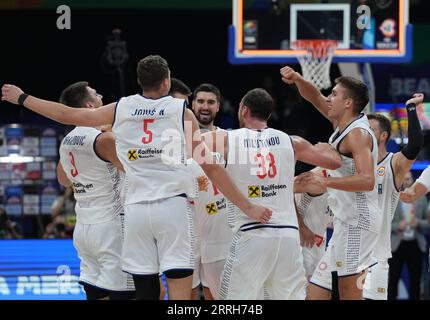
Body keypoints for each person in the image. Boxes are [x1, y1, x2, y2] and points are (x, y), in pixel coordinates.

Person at [1, 55, 272, 300]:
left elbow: (69, 114)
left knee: (145, 291)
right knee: (180, 291)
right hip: (173, 207)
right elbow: (211, 167)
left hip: (135, 212)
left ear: (139, 82)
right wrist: (248, 206)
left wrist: (23, 98)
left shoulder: (121, 108)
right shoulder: (181, 112)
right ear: (166, 81)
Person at [201, 88, 341, 299]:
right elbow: (335, 162)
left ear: (244, 110)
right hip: (287, 237)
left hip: (252, 233)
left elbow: (188, 146)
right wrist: (328, 147)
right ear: (268, 114)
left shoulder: (227, 139)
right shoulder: (292, 141)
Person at [281, 67, 380, 300]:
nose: (329, 97)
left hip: (359, 222)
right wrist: (297, 79)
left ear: (348, 103)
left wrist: (326, 182)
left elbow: (367, 180)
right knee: (314, 293)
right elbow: (315, 96)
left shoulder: (358, 134)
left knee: (349, 294)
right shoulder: (342, 124)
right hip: (343, 222)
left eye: (334, 94)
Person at [54, 81, 135, 300]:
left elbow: (63, 180)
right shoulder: (103, 139)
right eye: (96, 94)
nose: (101, 96)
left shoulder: (66, 141)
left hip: (83, 227)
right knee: (123, 293)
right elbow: (134, 171)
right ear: (90, 106)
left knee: (95, 291)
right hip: (110, 225)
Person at [361, 95, 424, 300]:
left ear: (383, 136)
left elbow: (414, 146)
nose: (364, 134)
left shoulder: (393, 164)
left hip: (376, 256)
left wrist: (411, 109)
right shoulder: (352, 163)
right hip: (347, 252)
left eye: (370, 129)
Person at [189, 83, 233, 300]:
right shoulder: (177, 139)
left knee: (215, 294)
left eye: (211, 102)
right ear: (192, 104)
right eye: (201, 101)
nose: (205, 107)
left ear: (218, 107)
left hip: (219, 228)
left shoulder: (230, 140)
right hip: (186, 227)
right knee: (182, 294)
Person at [388, 172, 430, 300]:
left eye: (409, 179)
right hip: (396, 244)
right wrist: (397, 226)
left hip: (415, 243)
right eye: (404, 179)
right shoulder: (392, 198)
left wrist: (418, 222)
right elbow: (385, 223)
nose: (406, 181)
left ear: (413, 180)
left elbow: (428, 223)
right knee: (392, 280)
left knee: (415, 280)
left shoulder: (422, 198)